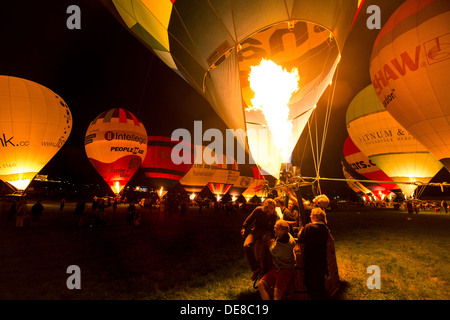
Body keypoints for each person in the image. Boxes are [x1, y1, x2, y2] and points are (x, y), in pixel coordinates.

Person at [241, 198, 279, 280]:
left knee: (265, 246)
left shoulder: (275, 215)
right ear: (266, 207)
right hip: (256, 230)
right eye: (271, 207)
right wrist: (244, 227)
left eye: (274, 207)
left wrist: (273, 237)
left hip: (267, 232)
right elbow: (250, 218)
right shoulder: (258, 210)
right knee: (246, 245)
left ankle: (263, 270)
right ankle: (255, 269)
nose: (272, 209)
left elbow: (275, 227)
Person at [258, 219, 296, 300]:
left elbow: (273, 251)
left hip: (285, 271)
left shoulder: (285, 245)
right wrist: (274, 242)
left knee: (277, 294)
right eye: (274, 227)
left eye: (277, 228)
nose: (274, 229)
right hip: (276, 269)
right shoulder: (284, 236)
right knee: (261, 285)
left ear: (284, 230)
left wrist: (271, 244)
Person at [298, 207, 330, 300]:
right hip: (322, 259)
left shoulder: (309, 227)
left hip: (311, 259)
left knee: (309, 281)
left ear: (315, 217)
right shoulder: (325, 228)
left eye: (311, 215)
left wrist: (301, 230)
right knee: (320, 282)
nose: (310, 216)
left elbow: (301, 239)